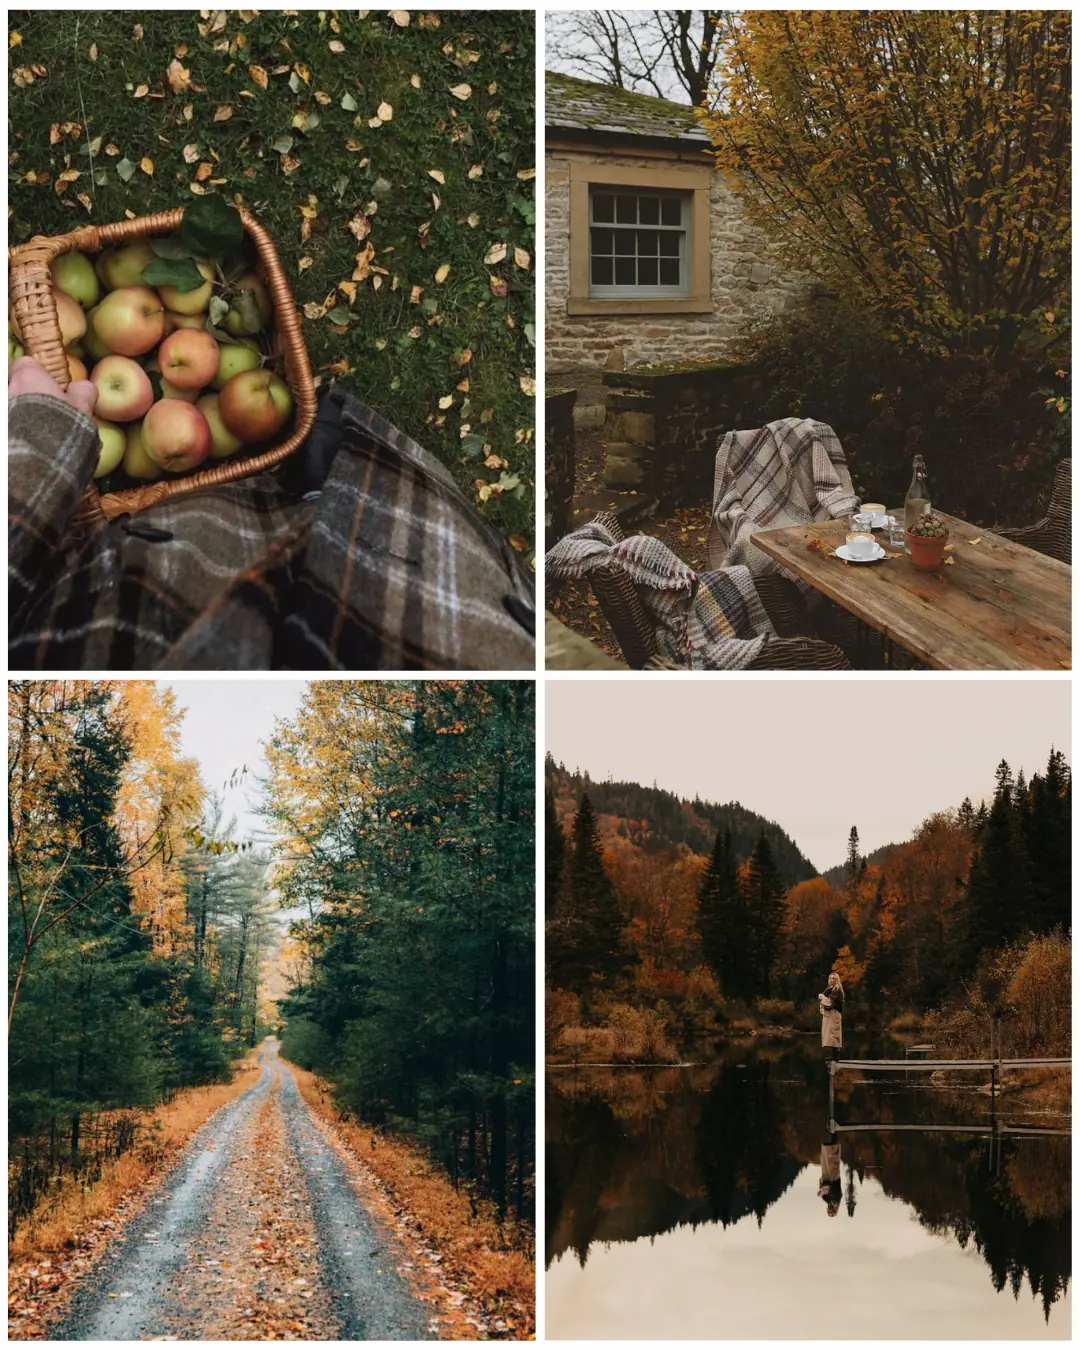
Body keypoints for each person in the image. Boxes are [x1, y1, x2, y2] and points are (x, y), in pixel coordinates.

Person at [9, 358, 535, 670]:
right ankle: (318, 500)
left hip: (128, 604)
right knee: (408, 557)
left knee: (230, 545)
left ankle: (309, 502)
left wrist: (37, 443)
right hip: (447, 633)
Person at [818, 970, 844, 1062]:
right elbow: (824, 1002)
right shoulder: (828, 989)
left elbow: (831, 1002)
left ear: (837, 980)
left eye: (834, 978)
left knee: (834, 1034)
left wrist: (823, 998)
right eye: (830, 978)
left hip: (834, 1014)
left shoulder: (838, 991)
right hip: (828, 1015)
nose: (832, 980)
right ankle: (832, 1055)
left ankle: (836, 1055)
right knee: (828, 1035)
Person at [818, 1134, 842, 1217]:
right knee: (832, 1155)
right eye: (831, 1211)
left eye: (828, 1211)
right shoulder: (836, 1200)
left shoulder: (828, 1200)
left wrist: (821, 1190)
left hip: (826, 1175)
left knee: (826, 1154)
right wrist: (825, 1189)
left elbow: (822, 1193)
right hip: (832, 1177)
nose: (829, 1209)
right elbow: (833, 1190)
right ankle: (833, 1133)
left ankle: (829, 1133)